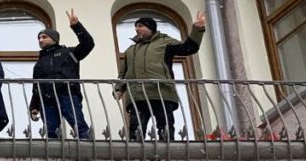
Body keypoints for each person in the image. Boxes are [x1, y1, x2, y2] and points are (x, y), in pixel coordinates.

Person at [115, 11, 205, 141]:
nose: (136, 29)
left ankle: (167, 154)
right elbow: (123, 74)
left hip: (161, 93)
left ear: (150, 27)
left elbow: (189, 48)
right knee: (135, 131)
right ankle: (136, 156)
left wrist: (198, 29)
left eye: (140, 26)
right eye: (136, 26)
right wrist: (119, 89)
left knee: (165, 129)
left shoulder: (165, 42)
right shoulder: (131, 50)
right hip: (137, 96)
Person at [28, 9, 95, 139]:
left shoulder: (69, 53)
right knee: (52, 132)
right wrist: (34, 106)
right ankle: (55, 157)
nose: (40, 40)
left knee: (79, 126)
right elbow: (36, 85)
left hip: (67, 94)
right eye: (39, 38)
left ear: (54, 39)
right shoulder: (39, 62)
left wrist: (76, 26)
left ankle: (88, 151)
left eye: (44, 37)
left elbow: (88, 44)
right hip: (47, 99)